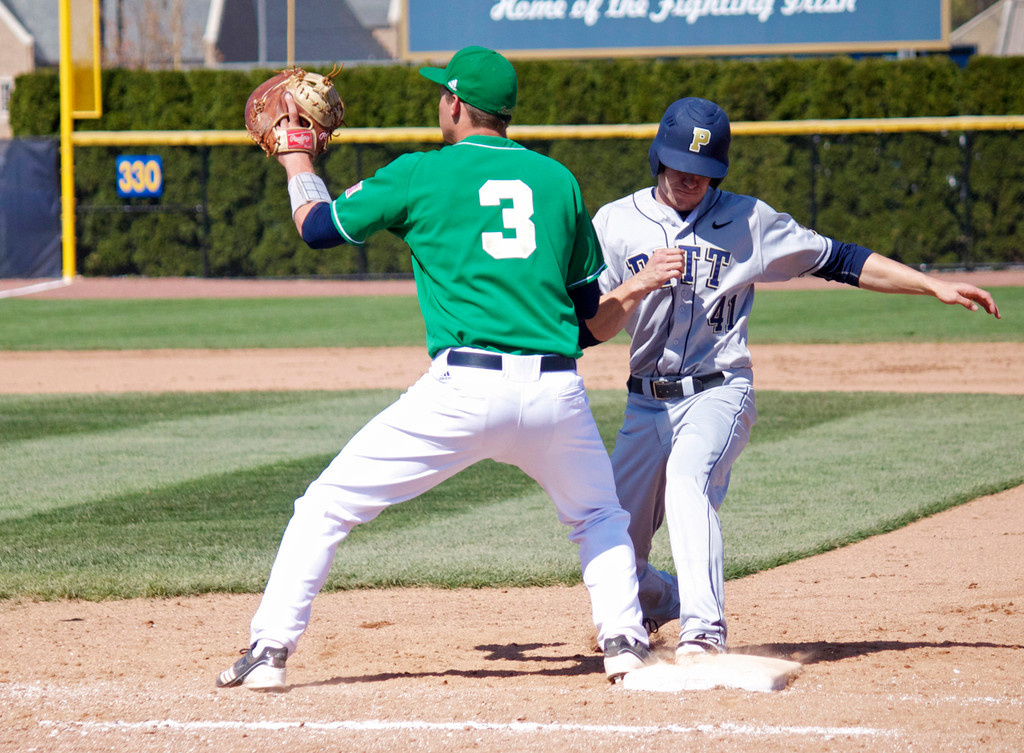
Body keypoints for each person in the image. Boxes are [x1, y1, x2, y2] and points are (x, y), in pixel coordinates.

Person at [216, 46, 655, 690]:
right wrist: (631, 290)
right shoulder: (558, 180)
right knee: (599, 518)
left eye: (441, 95)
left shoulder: (420, 173)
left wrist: (297, 157)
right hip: (557, 390)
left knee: (324, 508)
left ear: (454, 103)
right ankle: (625, 644)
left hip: (462, 391)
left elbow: (317, 228)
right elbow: (589, 319)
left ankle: (269, 652)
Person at [581, 96, 1001, 659]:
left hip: (718, 391)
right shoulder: (614, 222)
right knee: (616, 542)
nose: (690, 180)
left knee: (687, 481)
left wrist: (933, 285)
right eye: (680, 166)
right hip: (644, 403)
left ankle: (704, 632)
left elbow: (840, 259)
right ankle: (667, 600)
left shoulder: (749, 220)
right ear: (659, 158)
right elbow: (596, 326)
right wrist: (637, 284)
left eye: (702, 171)